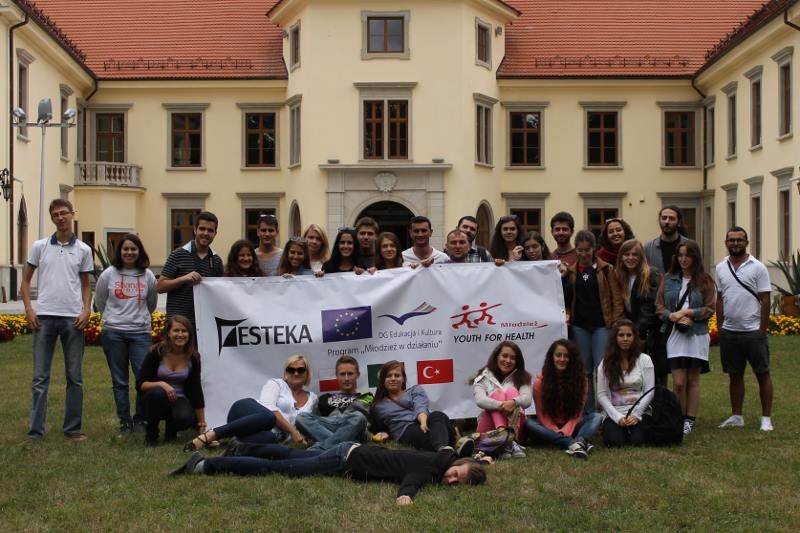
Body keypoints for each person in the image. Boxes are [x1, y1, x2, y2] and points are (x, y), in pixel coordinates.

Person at [171, 442, 487, 506]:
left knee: (293, 456)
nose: (451, 479)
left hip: (349, 451)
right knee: (282, 469)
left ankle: (241, 448)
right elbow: (412, 480)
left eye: (457, 483)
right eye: (456, 473)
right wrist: (405, 496)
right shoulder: (432, 467)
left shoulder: (440, 459)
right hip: (345, 460)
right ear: (456, 462)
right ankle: (205, 465)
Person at [21, 198, 93, 442]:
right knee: (40, 378)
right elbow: (26, 281)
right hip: (44, 318)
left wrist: (86, 310)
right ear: (52, 218)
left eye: (64, 213)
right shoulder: (40, 246)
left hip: (72, 319)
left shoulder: (83, 250)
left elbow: (86, 284)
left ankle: (72, 428)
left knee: (75, 377)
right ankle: (35, 431)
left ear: (72, 214)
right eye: (55, 215)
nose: (60, 217)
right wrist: (29, 309)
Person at [182, 354, 317, 451]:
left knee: (271, 440)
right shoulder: (275, 384)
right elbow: (269, 408)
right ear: (286, 373)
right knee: (269, 417)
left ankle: (227, 444)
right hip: (245, 412)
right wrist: (293, 431)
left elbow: (311, 423)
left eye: (300, 370)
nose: (295, 373)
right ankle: (210, 435)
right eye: (291, 369)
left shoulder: (313, 398)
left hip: (273, 434)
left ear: (307, 373)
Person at [94, 233, 158, 436]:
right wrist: (113, 318)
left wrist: (138, 318)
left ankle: (140, 419)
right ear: (119, 252)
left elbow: (151, 303)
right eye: (125, 249)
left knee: (143, 378)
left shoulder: (148, 275)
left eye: (133, 249)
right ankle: (125, 422)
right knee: (119, 381)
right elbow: (100, 301)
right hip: (114, 333)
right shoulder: (108, 274)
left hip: (140, 333)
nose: (129, 252)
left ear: (139, 251)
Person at [715, 227, 774, 432]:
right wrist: (720, 326)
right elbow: (720, 298)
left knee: (762, 373)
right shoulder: (721, 267)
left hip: (753, 331)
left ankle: (766, 418)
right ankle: (736, 415)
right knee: (734, 374)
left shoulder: (758, 267)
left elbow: (765, 299)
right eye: (731, 240)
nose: (735, 243)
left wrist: (762, 330)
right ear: (726, 242)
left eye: (739, 240)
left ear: (746, 242)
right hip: (730, 331)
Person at [656, 240, 715, 435]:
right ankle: (678, 417)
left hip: (696, 334)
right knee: (679, 382)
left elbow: (710, 308)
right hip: (675, 334)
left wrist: (689, 312)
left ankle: (690, 419)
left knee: (693, 380)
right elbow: (659, 306)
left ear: (695, 257)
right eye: (680, 255)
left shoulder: (705, 280)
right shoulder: (668, 279)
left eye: (687, 255)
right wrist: (671, 316)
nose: (683, 259)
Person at [568, 229, 624, 412]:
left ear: (594, 249)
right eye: (580, 250)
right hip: (580, 327)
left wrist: (615, 322)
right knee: (584, 371)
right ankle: (589, 412)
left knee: (603, 369)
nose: (583, 254)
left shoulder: (606, 269)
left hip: (602, 326)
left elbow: (616, 298)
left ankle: (607, 411)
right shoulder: (571, 271)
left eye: (587, 250)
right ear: (575, 249)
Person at [371, 360, 473, 455]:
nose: (393, 379)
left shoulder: (415, 390)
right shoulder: (378, 406)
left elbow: (421, 406)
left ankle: (443, 451)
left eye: (397, 375)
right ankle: (452, 445)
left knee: (438, 415)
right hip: (406, 430)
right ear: (383, 380)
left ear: (403, 379)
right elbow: (380, 428)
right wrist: (385, 434)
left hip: (426, 423)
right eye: (389, 376)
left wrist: (423, 422)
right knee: (435, 435)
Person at [524, 339, 602, 458]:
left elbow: (577, 413)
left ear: (572, 359)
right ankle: (574, 443)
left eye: (566, 356)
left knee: (596, 417)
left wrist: (565, 431)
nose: (562, 359)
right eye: (558, 355)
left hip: (573, 424)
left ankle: (574, 441)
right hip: (548, 427)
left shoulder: (582, 381)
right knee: (529, 424)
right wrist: (557, 431)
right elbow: (542, 415)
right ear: (552, 357)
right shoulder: (540, 382)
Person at [136, 315, 206, 446]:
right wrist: (162, 384)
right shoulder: (156, 353)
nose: (180, 334)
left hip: (179, 399)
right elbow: (140, 384)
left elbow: (196, 389)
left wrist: (202, 423)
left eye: (184, 331)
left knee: (186, 419)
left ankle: (171, 430)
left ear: (189, 334)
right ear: (168, 333)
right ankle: (151, 435)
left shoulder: (193, 357)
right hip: (155, 398)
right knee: (157, 394)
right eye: (176, 330)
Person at [156, 211, 224, 324]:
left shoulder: (216, 260)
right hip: (178, 326)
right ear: (195, 230)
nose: (206, 233)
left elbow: (219, 293)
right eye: (202, 229)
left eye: (210, 230)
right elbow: (160, 287)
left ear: (215, 233)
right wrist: (183, 279)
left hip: (204, 325)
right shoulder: (178, 254)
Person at [615, 239, 666, 385]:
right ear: (621, 257)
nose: (630, 258)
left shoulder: (652, 275)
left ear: (641, 256)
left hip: (649, 334)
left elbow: (650, 307)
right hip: (629, 332)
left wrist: (635, 331)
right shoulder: (618, 276)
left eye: (635, 254)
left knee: (652, 375)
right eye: (627, 254)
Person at [596, 319, 655, 446]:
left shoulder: (645, 360)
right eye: (621, 335)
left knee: (638, 441)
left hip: (639, 411)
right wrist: (617, 417)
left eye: (629, 335)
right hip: (615, 411)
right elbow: (602, 395)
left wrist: (637, 415)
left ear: (635, 337)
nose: (625, 339)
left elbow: (650, 391)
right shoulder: (605, 363)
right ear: (615, 338)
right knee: (615, 441)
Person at [295, 355, 373, 450]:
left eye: (350, 373)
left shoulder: (368, 397)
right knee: (301, 417)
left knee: (358, 417)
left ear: (358, 375)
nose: (346, 378)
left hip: (355, 428)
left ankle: (320, 448)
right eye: (342, 374)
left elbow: (374, 426)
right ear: (337, 376)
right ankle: (345, 446)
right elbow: (312, 423)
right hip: (330, 425)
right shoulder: (325, 398)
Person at [471, 341, 532, 459]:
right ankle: (505, 440)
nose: (508, 360)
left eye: (513, 358)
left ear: (517, 361)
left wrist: (513, 402)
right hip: (488, 430)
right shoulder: (483, 376)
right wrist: (501, 405)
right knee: (497, 394)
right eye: (504, 356)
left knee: (511, 391)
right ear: (497, 356)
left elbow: (527, 400)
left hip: (517, 430)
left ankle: (509, 441)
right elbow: (480, 400)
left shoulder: (524, 376)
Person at [644, 205, 690, 274]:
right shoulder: (649, 247)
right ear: (659, 221)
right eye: (664, 218)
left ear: (679, 222)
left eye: (671, 218)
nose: (667, 221)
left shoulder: (689, 246)